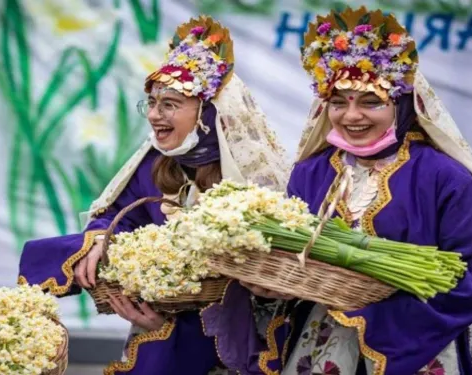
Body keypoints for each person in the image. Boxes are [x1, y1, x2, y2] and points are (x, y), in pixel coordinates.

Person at [19, 16, 293, 374]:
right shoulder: (155, 163)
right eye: (150, 102)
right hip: (161, 324)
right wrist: (100, 236)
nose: (153, 115)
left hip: (243, 343)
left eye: (169, 104)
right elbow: (118, 214)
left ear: (208, 112)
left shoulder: (251, 173)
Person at [278, 6, 472, 374]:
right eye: (338, 102)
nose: (351, 116)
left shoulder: (443, 176)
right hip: (320, 345)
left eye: (370, 102)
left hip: (413, 348)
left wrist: (386, 315)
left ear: (400, 103)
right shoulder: (310, 173)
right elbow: (288, 256)